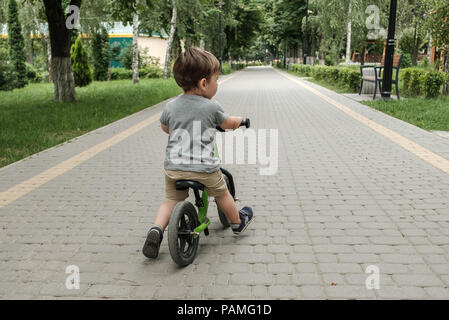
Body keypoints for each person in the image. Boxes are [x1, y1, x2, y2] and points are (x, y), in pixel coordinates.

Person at [142, 47, 254, 259]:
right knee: (222, 193)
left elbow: (166, 128)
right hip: (204, 168)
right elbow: (227, 123)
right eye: (215, 80)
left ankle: (156, 229)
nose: (217, 84)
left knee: (169, 200)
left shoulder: (171, 106)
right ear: (204, 83)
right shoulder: (211, 107)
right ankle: (238, 222)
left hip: (174, 168)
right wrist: (241, 121)